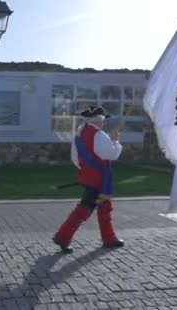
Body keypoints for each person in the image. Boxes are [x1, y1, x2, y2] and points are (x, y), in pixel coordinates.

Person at [52, 106, 124, 253]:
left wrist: (87, 170)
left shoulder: (80, 134)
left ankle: (109, 238)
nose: (104, 123)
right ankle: (62, 237)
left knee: (104, 208)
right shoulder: (99, 135)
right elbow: (111, 154)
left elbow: (75, 159)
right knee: (84, 209)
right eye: (103, 120)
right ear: (98, 120)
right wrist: (115, 142)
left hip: (91, 177)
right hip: (99, 180)